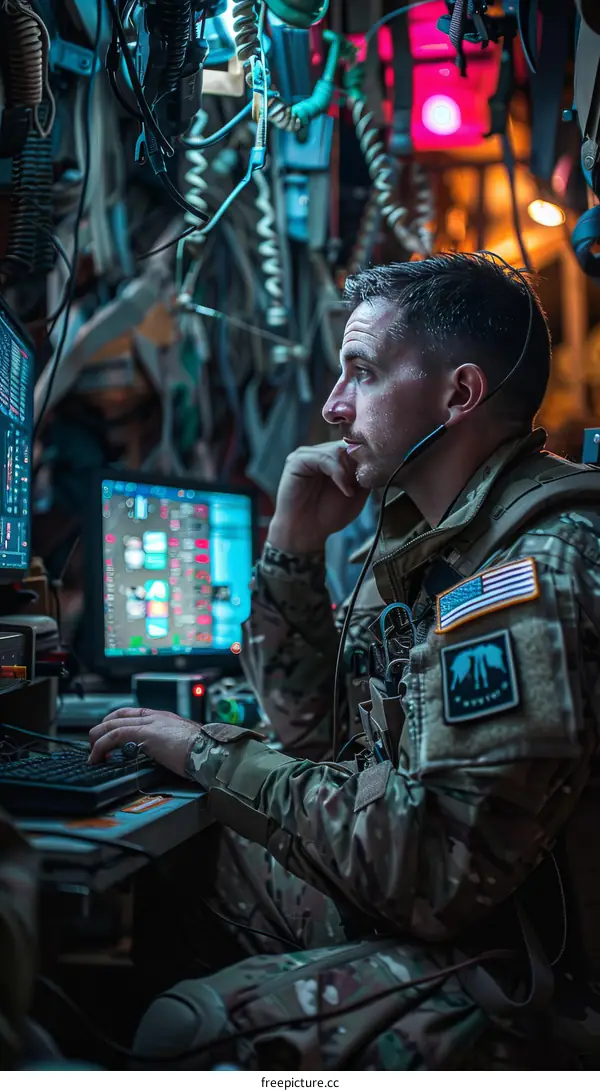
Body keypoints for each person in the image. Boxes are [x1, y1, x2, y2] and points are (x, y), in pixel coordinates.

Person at [90, 253, 600, 1070]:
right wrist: (292, 544)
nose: (332, 406)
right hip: (467, 910)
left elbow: (428, 873)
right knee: (192, 858)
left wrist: (205, 751)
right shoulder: (428, 545)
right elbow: (317, 738)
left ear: (458, 395)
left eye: (360, 372)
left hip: (534, 975)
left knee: (183, 1028)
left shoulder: (522, 576)